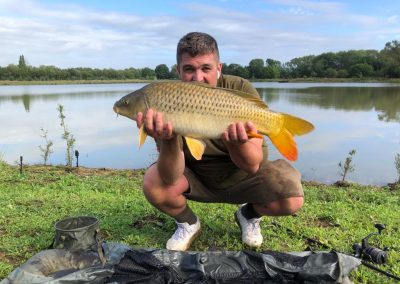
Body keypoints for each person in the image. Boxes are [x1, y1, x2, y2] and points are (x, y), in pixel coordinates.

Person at [136, 32, 304, 251]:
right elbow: (170, 177)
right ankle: (188, 223)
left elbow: (252, 165)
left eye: (206, 68)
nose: (198, 78)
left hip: (241, 174)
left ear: (219, 68)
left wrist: (237, 142)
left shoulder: (240, 89)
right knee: (154, 183)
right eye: (189, 69)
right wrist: (167, 140)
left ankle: (248, 215)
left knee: (291, 199)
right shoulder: (167, 97)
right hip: (194, 175)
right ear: (178, 71)